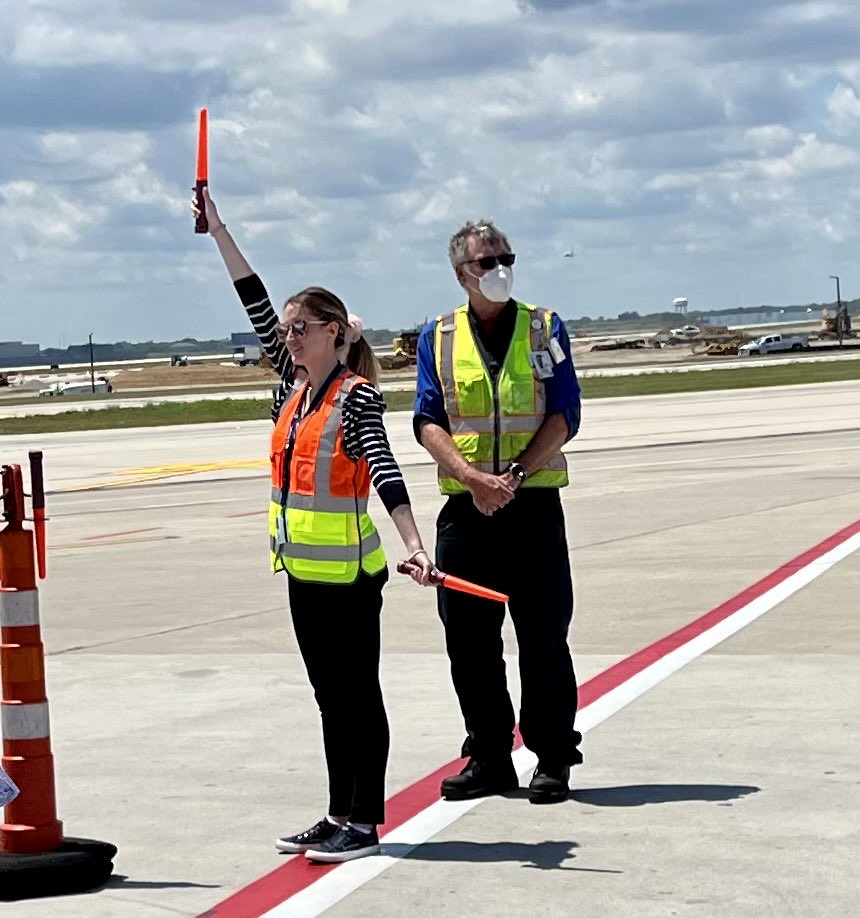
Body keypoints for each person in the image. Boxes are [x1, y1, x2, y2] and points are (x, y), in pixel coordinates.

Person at [196, 189, 434, 862]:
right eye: (288, 329)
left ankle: (363, 822)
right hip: (304, 573)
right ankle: (337, 814)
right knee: (330, 698)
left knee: (358, 697)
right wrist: (218, 228)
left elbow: (386, 472)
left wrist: (415, 545)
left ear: (335, 332)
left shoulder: (355, 399)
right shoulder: (292, 390)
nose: (288, 335)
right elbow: (252, 296)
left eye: (301, 327)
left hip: (351, 581)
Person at [413, 219, 583, 805]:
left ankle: (552, 757)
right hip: (466, 512)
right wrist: (470, 478)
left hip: (531, 506)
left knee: (543, 637)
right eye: (487, 262)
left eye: (506, 256)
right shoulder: (436, 336)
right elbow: (427, 420)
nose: (500, 268)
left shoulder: (543, 327)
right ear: (462, 273)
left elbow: (565, 413)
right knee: (469, 641)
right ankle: (489, 755)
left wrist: (512, 477)